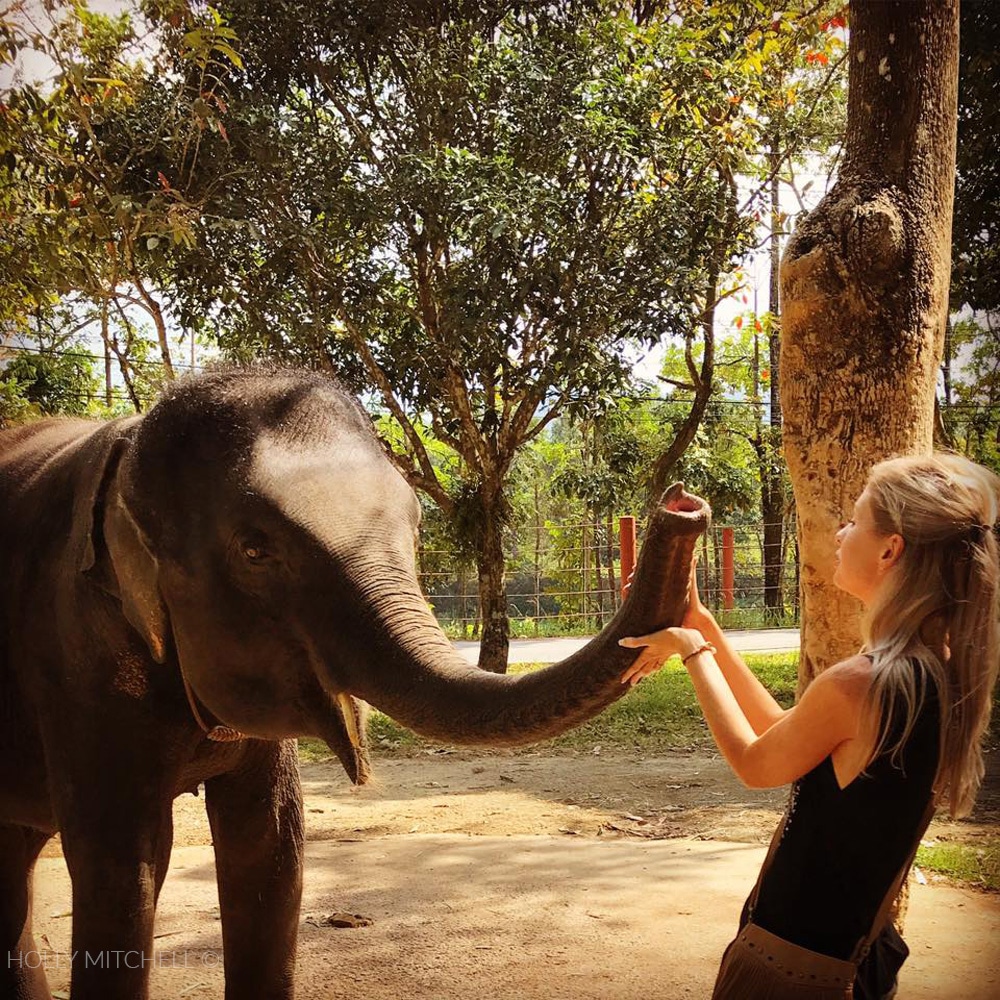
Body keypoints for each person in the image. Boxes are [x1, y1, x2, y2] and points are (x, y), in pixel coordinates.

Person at [619, 453, 1000, 1000]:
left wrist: (692, 652)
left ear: (890, 550)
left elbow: (755, 763)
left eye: (855, 521)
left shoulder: (863, 682)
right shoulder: (931, 666)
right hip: (854, 958)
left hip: (794, 972)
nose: (842, 534)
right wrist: (702, 625)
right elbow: (780, 728)